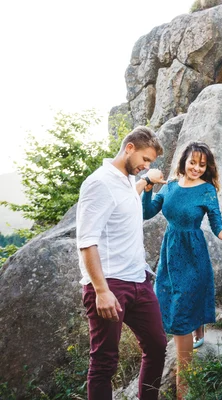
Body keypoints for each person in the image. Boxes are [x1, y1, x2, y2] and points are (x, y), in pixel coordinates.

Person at [141, 141, 222, 399]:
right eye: (193, 162)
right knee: (168, 300)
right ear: (184, 160)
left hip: (194, 256)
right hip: (170, 254)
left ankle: (183, 390)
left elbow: (217, 223)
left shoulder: (207, 190)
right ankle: (195, 333)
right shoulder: (171, 186)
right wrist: (148, 187)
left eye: (202, 164)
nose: (196, 167)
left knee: (182, 312)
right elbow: (147, 211)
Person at [76, 126, 168, 400]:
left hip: (139, 281)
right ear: (129, 148)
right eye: (145, 159)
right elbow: (86, 241)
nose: (146, 165)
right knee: (104, 363)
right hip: (110, 285)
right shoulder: (99, 183)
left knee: (157, 345)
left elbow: (132, 193)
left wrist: (147, 180)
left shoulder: (127, 180)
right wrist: (101, 290)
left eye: (150, 163)